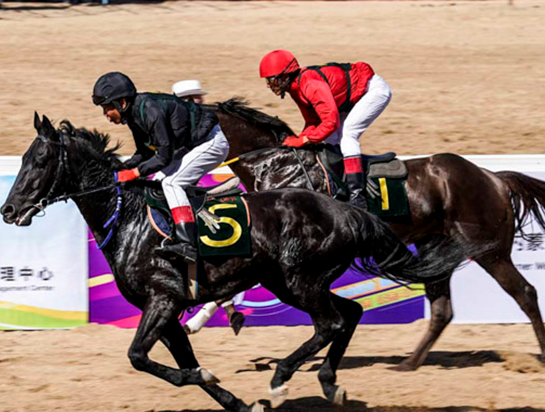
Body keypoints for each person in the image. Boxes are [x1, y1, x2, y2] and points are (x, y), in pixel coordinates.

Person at [92, 71, 229, 263]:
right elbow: (145, 153)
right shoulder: (133, 115)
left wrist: (134, 172)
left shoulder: (150, 111)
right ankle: (171, 233)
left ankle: (187, 243)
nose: (106, 115)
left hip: (211, 143)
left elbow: (163, 157)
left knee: (172, 184)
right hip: (190, 146)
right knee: (156, 184)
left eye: (107, 109)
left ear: (121, 103)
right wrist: (121, 167)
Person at [258, 49, 392, 209]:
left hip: (373, 91)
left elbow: (330, 122)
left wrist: (303, 140)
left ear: (285, 75)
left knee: (348, 134)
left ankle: (358, 196)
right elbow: (312, 122)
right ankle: (340, 186)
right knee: (330, 139)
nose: (269, 85)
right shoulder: (294, 88)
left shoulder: (310, 84)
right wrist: (299, 140)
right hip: (347, 100)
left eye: (272, 79)